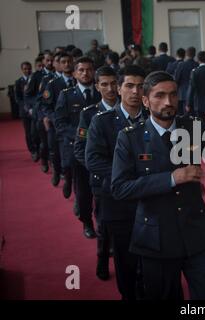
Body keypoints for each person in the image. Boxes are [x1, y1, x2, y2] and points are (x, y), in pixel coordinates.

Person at [110, 71, 205, 300]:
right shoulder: (130, 137)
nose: (168, 102)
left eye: (173, 95)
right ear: (145, 100)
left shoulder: (193, 127)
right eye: (160, 95)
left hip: (195, 229)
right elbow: (120, 188)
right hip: (155, 235)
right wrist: (172, 178)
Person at [86, 65, 148, 300]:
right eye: (129, 86)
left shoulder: (153, 118)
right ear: (119, 89)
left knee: (152, 257)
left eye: (140, 86)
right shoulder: (102, 122)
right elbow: (93, 160)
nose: (135, 91)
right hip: (118, 200)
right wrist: (128, 178)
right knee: (126, 259)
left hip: (150, 199)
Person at [74, 66, 120, 281]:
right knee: (104, 225)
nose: (110, 88)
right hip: (102, 180)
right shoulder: (89, 114)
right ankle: (102, 259)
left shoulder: (129, 109)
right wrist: (97, 169)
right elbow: (80, 150)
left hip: (130, 180)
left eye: (113, 84)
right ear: (97, 86)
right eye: (104, 84)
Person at [55, 57, 101, 238]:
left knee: (103, 192)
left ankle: (103, 225)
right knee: (83, 193)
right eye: (81, 70)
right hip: (78, 151)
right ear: (74, 73)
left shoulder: (101, 94)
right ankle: (87, 222)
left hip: (100, 151)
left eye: (89, 69)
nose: (85, 73)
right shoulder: (66, 95)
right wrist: (85, 135)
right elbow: (60, 123)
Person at [42, 52, 75, 187]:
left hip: (73, 125)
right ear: (59, 65)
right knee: (56, 153)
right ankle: (59, 173)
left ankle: (71, 180)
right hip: (57, 125)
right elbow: (46, 106)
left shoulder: (77, 81)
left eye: (69, 61)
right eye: (63, 62)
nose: (67, 64)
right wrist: (55, 119)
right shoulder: (53, 84)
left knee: (72, 158)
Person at [185, 51, 205, 122]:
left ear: (197, 59)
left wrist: (188, 103)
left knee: (197, 127)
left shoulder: (194, 72)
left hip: (198, 104)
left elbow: (191, 89)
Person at [174, 47, 198, 115]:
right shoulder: (197, 65)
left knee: (185, 116)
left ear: (186, 54)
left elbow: (176, 79)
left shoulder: (181, 65)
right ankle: (196, 126)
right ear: (194, 54)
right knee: (195, 117)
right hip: (195, 95)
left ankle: (186, 126)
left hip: (183, 95)